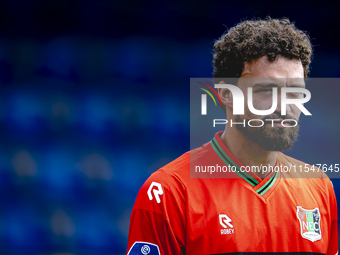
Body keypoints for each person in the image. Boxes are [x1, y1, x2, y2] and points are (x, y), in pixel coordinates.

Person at [126, 17, 338, 255]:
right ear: (227, 95)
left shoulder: (319, 186)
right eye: (268, 90)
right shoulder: (170, 192)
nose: (285, 106)